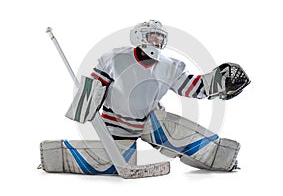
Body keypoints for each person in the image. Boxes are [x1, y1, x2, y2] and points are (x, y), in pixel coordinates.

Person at [86, 20, 250, 172]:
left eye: (160, 38)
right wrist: (85, 106)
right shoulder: (115, 58)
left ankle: (223, 159)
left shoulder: (169, 66)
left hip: (150, 121)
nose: (157, 41)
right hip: (116, 124)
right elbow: (94, 86)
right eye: (153, 36)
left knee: (183, 136)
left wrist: (215, 84)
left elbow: (190, 86)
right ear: (139, 35)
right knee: (109, 165)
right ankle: (61, 156)